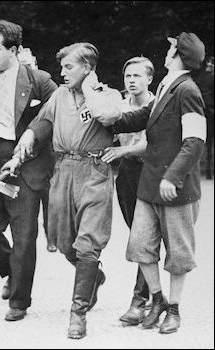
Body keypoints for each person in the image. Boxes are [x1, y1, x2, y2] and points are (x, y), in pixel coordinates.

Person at [1, 42, 122, 339]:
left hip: (94, 172)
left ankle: (77, 314)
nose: (62, 72)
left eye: (69, 67)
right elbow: (41, 124)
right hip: (63, 170)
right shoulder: (59, 96)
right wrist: (20, 151)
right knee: (64, 242)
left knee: (87, 244)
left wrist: (91, 89)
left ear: (88, 68)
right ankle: (95, 275)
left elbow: (107, 117)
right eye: (62, 67)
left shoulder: (109, 95)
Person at [92, 32, 206, 334]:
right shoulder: (167, 84)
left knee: (178, 253)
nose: (166, 52)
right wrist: (111, 120)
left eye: (171, 49)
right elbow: (144, 116)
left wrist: (173, 176)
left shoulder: (188, 90)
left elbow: (194, 141)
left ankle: (174, 310)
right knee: (141, 245)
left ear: (180, 55)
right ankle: (156, 299)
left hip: (174, 187)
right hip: (150, 183)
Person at [0, 19, 57, 321]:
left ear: (14, 50)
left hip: (27, 166)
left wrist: (32, 137)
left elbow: (54, 113)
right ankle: (11, 273)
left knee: (25, 237)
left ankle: (19, 302)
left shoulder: (40, 80)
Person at [101, 56, 155, 326]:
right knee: (137, 236)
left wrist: (124, 149)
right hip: (127, 175)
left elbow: (152, 144)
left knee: (145, 238)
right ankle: (153, 295)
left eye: (137, 76)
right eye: (128, 76)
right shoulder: (118, 107)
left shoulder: (156, 106)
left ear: (149, 79)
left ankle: (139, 301)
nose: (131, 80)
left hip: (151, 173)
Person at [194, 56, 214, 179]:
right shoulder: (204, 76)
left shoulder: (204, 76)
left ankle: (207, 171)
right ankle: (206, 171)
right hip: (206, 107)